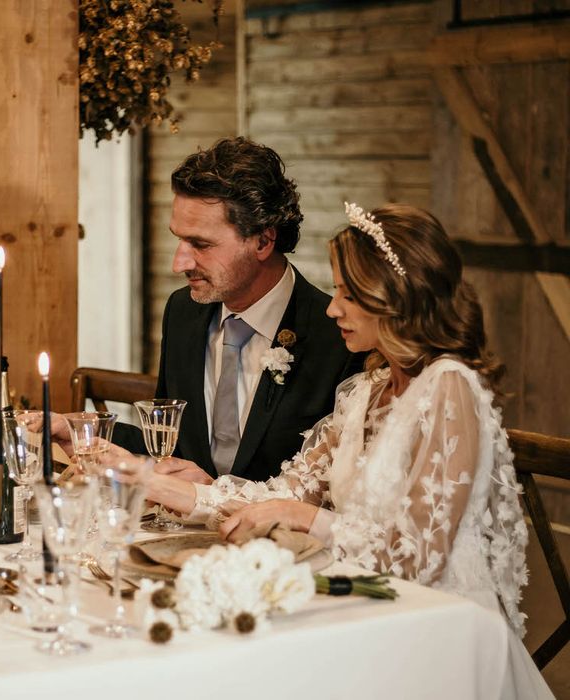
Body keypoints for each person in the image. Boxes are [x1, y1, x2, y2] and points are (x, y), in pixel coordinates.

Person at [141, 202, 553, 699]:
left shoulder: (449, 389)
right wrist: (160, 486)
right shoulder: (366, 391)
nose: (332, 307)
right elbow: (280, 494)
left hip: (438, 637)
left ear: (397, 298)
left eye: (348, 293)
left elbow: (419, 560)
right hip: (367, 614)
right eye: (336, 290)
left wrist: (301, 517)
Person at [50, 137, 361, 483]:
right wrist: (83, 433)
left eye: (200, 244)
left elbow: (337, 489)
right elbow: (173, 452)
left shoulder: (339, 336)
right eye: (178, 239)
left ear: (262, 240)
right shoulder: (183, 312)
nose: (178, 263)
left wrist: (213, 496)